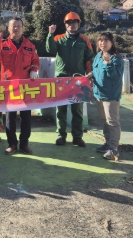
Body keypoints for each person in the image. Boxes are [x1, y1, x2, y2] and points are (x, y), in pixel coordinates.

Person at [0, 18, 40, 154]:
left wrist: (34, 69)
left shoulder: (30, 45)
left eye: (19, 26)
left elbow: (35, 61)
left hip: (25, 86)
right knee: (10, 117)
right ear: (9, 28)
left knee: (26, 116)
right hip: (9, 86)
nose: (16, 28)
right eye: (13, 26)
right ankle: (12, 144)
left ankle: (24, 144)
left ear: (23, 28)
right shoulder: (3, 44)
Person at [46, 12, 95, 147]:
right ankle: (60, 135)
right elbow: (50, 49)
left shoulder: (84, 41)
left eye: (74, 22)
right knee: (60, 110)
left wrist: (89, 75)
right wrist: (50, 34)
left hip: (78, 80)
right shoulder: (58, 38)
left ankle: (77, 137)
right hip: (61, 79)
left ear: (79, 24)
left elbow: (89, 58)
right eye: (69, 23)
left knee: (77, 110)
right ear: (65, 25)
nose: (71, 25)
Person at [88, 32, 124, 161]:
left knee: (112, 122)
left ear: (112, 43)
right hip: (99, 94)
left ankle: (114, 149)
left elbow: (115, 76)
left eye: (106, 40)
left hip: (111, 96)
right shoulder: (98, 56)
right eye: (101, 40)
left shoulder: (116, 58)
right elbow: (96, 70)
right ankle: (108, 144)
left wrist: (108, 62)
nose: (103, 43)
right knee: (104, 120)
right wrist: (90, 75)